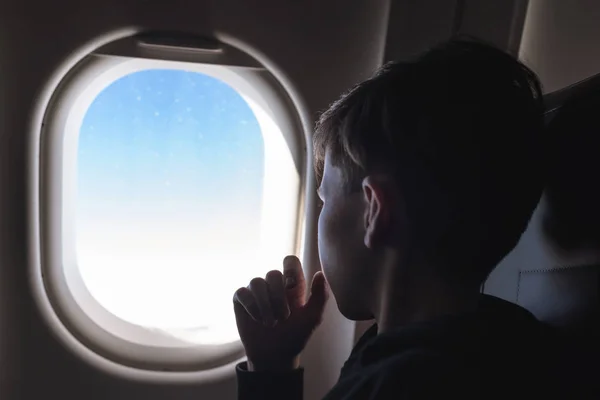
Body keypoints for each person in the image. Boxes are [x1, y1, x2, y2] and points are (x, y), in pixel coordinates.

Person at [231, 39, 578, 399]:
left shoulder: (399, 385)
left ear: (374, 210)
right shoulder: (507, 337)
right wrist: (272, 366)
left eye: (324, 199)